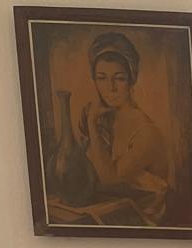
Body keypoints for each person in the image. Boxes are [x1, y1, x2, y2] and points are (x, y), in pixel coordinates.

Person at [51, 31, 172, 225]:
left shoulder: (147, 132)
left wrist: (92, 124)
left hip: (144, 221)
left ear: (131, 79)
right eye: (101, 78)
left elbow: (110, 179)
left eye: (119, 78)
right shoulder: (102, 118)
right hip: (109, 210)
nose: (111, 87)